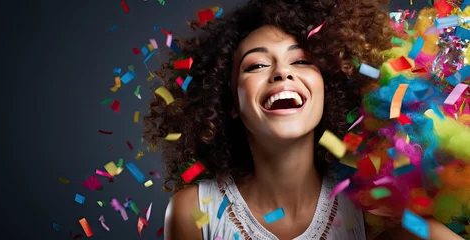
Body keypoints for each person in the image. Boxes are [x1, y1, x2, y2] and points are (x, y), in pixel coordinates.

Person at [143, 0, 464, 239]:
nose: (282, 72)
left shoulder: (368, 208)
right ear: (230, 103)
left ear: (329, 87)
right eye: (256, 66)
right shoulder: (193, 210)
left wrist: (402, 213)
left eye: (300, 61)